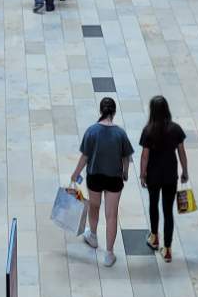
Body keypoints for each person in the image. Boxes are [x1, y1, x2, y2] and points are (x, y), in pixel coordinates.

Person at [70, 97, 135, 267]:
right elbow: (126, 156)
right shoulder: (120, 133)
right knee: (111, 215)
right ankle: (109, 254)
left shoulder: (92, 131)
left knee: (94, 206)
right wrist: (125, 173)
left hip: (95, 176)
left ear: (101, 111)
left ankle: (92, 236)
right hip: (114, 178)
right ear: (114, 112)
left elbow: (84, 156)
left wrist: (75, 173)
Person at [139, 95, 190, 262]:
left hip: (153, 176)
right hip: (170, 176)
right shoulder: (175, 129)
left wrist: (142, 174)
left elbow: (145, 156)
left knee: (153, 204)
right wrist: (185, 171)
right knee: (168, 211)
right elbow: (181, 152)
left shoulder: (148, 131)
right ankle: (167, 249)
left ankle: (154, 237)